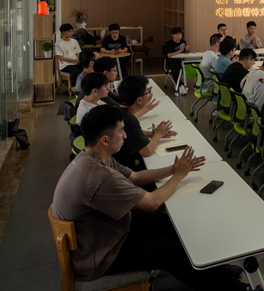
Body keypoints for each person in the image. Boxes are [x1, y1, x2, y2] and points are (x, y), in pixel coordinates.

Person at [52, 105, 248, 290]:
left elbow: (136, 177)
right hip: (101, 256)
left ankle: (217, 270)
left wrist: (174, 169)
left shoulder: (94, 157)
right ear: (105, 140)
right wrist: (179, 176)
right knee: (170, 251)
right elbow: (153, 203)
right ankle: (233, 288)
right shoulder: (99, 176)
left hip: (107, 232)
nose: (125, 135)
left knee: (172, 225)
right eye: (121, 131)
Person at [116, 75, 176, 171]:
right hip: (125, 168)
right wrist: (157, 135)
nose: (149, 94)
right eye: (147, 92)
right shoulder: (128, 119)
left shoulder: (118, 109)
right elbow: (146, 151)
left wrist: (153, 133)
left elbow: (134, 133)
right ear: (139, 100)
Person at [163, 27, 190, 93]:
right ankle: (180, 85)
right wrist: (180, 50)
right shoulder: (169, 43)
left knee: (192, 64)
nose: (179, 36)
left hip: (182, 61)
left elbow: (185, 53)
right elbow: (169, 55)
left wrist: (186, 50)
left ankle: (183, 85)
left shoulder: (183, 42)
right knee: (174, 67)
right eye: (177, 34)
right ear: (173, 35)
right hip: (173, 61)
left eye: (180, 34)